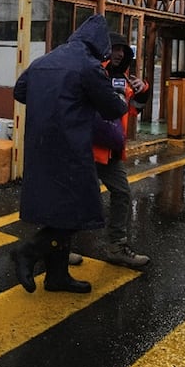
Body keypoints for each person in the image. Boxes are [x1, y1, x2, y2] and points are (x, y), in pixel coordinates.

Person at [10, 14, 128, 294]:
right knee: (79, 211)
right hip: (70, 148)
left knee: (57, 213)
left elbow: (20, 91)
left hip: (39, 148)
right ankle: (28, 251)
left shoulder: (44, 61)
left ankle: (57, 276)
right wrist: (122, 100)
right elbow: (112, 108)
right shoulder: (88, 66)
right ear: (99, 44)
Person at [69, 32, 152, 268]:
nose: (119, 54)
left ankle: (117, 246)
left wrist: (143, 88)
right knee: (79, 199)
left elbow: (134, 109)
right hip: (87, 149)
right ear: (105, 50)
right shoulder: (94, 72)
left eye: (123, 50)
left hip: (112, 151)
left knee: (122, 194)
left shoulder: (125, 80)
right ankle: (59, 246)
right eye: (115, 49)